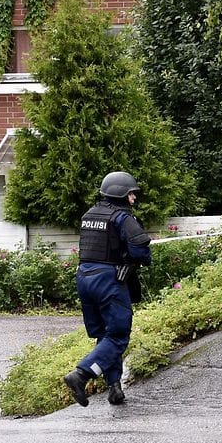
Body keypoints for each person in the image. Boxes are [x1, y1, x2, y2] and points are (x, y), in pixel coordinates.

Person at [63, 171, 152, 406]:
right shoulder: (122, 217)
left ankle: (114, 388)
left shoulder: (89, 215)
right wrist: (134, 260)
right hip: (108, 281)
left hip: (84, 278)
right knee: (118, 336)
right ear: (121, 194)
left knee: (105, 336)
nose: (134, 198)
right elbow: (141, 248)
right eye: (131, 193)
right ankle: (81, 375)